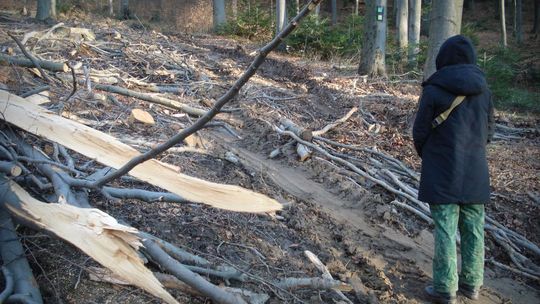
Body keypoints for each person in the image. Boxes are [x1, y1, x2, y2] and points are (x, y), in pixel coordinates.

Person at [413, 35, 494, 304]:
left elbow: (420, 132)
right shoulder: (484, 90)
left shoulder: (434, 89)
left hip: (442, 172)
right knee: (474, 230)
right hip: (475, 172)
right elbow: (489, 132)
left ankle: (445, 289)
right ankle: (472, 285)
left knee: (446, 231)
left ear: (443, 58)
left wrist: (432, 156)